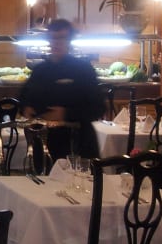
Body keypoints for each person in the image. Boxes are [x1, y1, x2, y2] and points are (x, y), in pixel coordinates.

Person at [20, 18, 103, 160]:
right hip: (44, 144)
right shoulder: (40, 70)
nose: (57, 43)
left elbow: (98, 108)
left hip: (77, 144)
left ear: (69, 41)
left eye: (62, 38)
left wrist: (65, 114)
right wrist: (26, 108)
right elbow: (24, 97)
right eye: (53, 38)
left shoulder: (83, 69)